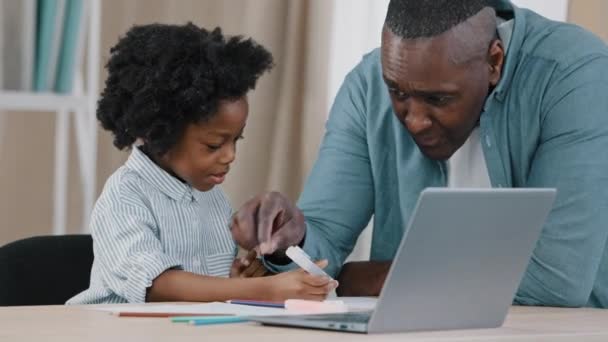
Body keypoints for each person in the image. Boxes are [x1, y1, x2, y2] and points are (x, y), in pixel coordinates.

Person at [231, 0, 608, 308]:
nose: (414, 121)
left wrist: (365, 277)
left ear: (493, 62)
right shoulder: (367, 85)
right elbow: (322, 249)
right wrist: (289, 243)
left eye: (438, 99)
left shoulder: (576, 76)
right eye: (397, 92)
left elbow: (557, 281)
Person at [67, 23, 337, 304]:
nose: (230, 155)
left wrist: (239, 281)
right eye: (214, 145)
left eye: (236, 141)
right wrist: (267, 290)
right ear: (160, 132)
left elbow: (209, 289)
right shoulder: (124, 196)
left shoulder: (214, 200)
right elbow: (157, 286)